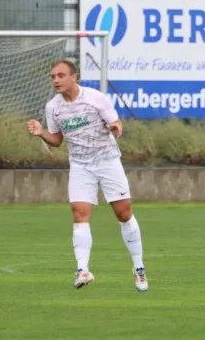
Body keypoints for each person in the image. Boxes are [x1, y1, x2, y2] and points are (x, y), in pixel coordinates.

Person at [27, 60, 148, 292]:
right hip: (81, 166)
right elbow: (57, 140)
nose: (56, 80)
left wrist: (116, 128)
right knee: (79, 214)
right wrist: (42, 133)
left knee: (124, 214)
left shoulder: (95, 98)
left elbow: (116, 123)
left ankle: (138, 267)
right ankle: (83, 270)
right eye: (53, 76)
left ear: (74, 77)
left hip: (108, 162)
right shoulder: (53, 107)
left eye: (61, 75)